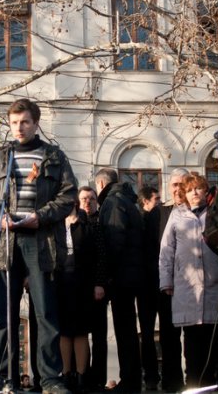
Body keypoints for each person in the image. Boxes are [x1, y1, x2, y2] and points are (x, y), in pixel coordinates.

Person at [0, 98, 77, 394]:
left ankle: (49, 379)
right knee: (2, 315)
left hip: (41, 241)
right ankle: (0, 379)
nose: (19, 128)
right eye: (14, 122)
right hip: (5, 242)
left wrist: (40, 217)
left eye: (25, 122)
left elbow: (67, 195)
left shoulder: (54, 157)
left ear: (36, 123)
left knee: (45, 313)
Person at [159, 174, 218, 387]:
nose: (195, 193)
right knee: (192, 343)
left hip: (216, 284)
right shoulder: (177, 215)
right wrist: (166, 281)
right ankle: (194, 384)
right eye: (190, 190)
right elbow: (166, 250)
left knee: (216, 340)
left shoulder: (217, 213)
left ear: (206, 190)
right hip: (186, 287)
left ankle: (217, 383)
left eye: (199, 188)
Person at [95, 167, 144, 392]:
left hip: (121, 276)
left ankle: (130, 380)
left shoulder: (113, 202)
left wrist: (109, 275)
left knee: (124, 329)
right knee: (128, 329)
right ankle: (131, 377)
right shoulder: (128, 200)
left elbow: (114, 238)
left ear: (101, 183)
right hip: (132, 272)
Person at [57, 201, 106, 392]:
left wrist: (98, 283)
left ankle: (81, 375)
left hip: (83, 283)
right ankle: (66, 374)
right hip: (62, 283)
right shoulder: (57, 227)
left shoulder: (88, 227)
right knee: (64, 330)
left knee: (81, 330)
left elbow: (99, 257)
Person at [157, 168, 190, 392]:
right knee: (169, 337)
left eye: (182, 185)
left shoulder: (199, 210)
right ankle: (172, 382)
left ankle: (196, 379)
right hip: (167, 285)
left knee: (194, 336)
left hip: (193, 283)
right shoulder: (160, 213)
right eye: (174, 185)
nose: (178, 189)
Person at [78, 186, 109, 391]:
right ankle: (82, 375)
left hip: (96, 286)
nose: (87, 202)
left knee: (98, 336)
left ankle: (98, 378)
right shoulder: (75, 222)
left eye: (90, 198)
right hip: (78, 287)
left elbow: (102, 256)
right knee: (79, 334)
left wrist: (99, 283)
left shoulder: (100, 223)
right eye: (83, 198)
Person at [136, 185, 162, 389]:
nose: (160, 202)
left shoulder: (158, 218)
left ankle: (153, 377)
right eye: (156, 199)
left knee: (155, 332)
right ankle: (151, 376)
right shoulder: (141, 221)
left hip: (155, 281)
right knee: (146, 332)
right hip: (147, 282)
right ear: (145, 202)